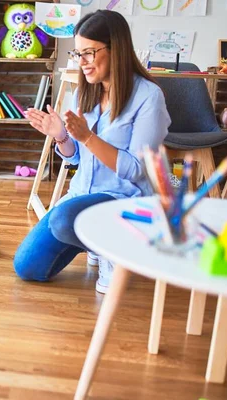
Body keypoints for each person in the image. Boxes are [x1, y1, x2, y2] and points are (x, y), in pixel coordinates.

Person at [14, 10, 171, 293]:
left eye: (89, 53)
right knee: (27, 267)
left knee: (63, 220)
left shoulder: (149, 96)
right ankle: (96, 241)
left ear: (116, 49)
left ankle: (115, 248)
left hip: (126, 198)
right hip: (84, 194)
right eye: (78, 54)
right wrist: (61, 136)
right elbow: (75, 157)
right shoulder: (84, 93)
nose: (82, 62)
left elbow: (136, 169)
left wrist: (87, 137)